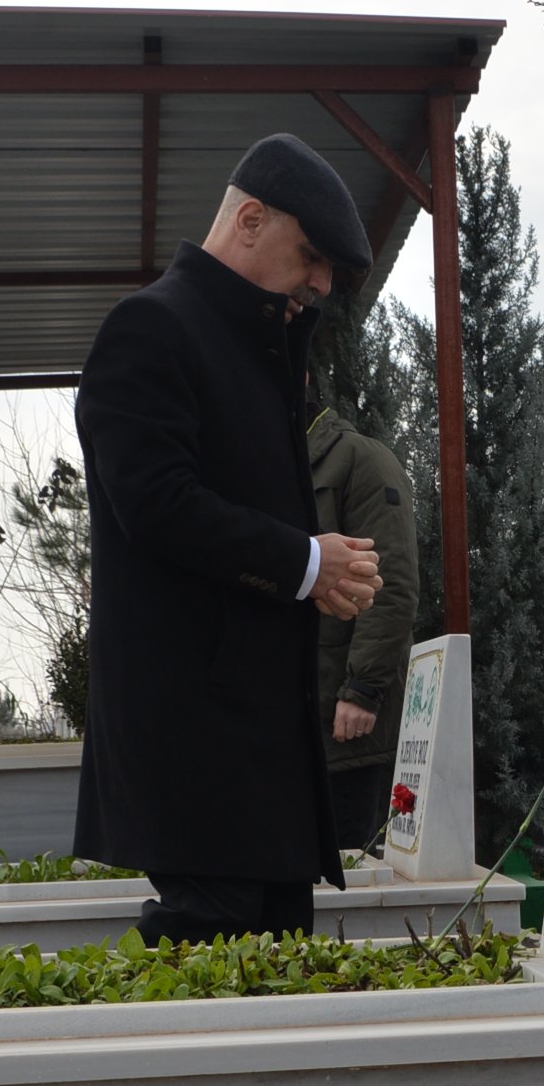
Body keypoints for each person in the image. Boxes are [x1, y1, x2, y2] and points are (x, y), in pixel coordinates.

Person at [72, 134, 383, 944]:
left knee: (276, 947)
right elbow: (157, 503)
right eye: (310, 256)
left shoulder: (253, 346)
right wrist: (308, 561)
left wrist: (309, 565)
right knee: (211, 945)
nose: (319, 284)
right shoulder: (150, 327)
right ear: (250, 219)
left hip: (254, 730)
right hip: (194, 733)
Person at [309, 394, 419, 851]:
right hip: (286, 710)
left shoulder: (361, 460)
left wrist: (362, 689)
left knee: (342, 875)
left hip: (342, 714)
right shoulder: (270, 463)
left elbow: (388, 582)